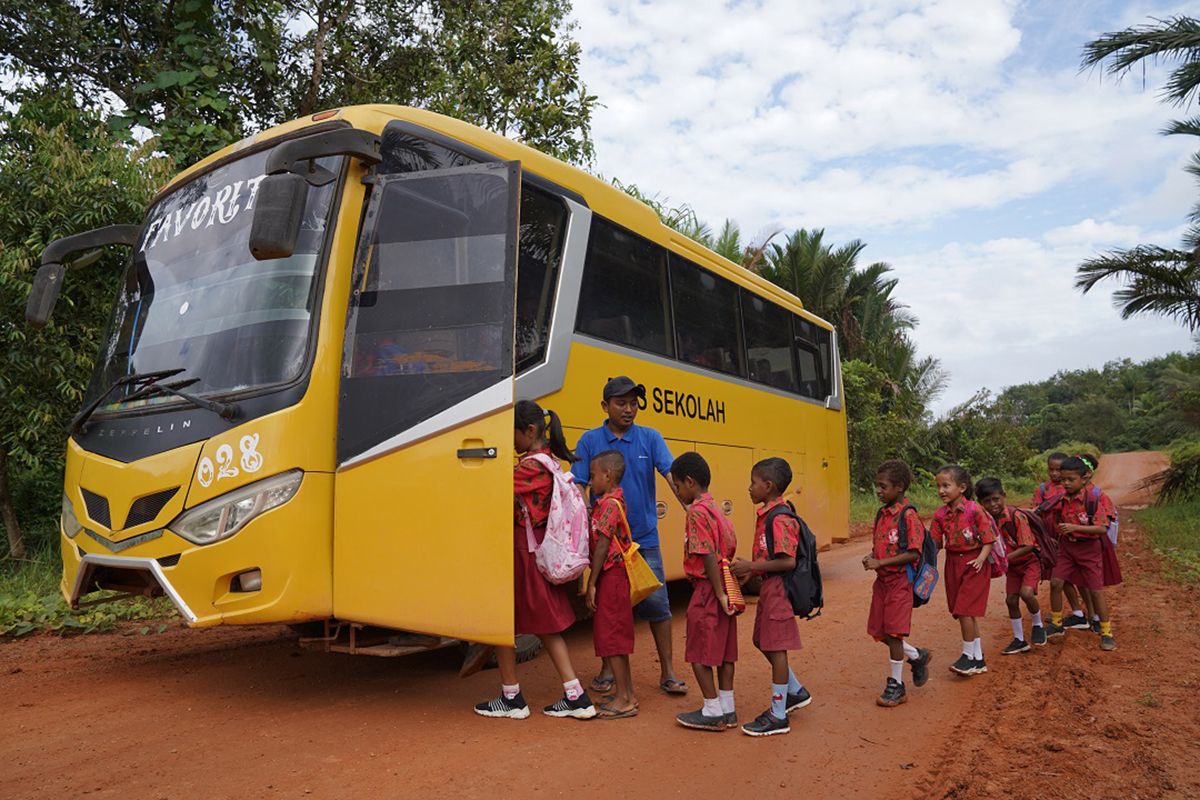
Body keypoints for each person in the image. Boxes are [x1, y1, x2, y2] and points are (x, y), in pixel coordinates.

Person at [474, 399, 596, 720]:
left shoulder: (530, 468)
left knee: (500, 621)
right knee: (546, 627)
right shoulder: (549, 462)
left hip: (522, 553)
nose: (510, 440)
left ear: (529, 431)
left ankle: (512, 696)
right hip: (538, 551)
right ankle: (574, 694)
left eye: (512, 433)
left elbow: (489, 488)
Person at [571, 376, 686, 696]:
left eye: (634, 403)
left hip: (643, 541)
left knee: (659, 606)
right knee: (609, 610)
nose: (629, 409)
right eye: (621, 403)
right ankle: (608, 669)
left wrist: (693, 511)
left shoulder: (650, 438)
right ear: (605, 406)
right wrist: (582, 527)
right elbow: (579, 485)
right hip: (606, 545)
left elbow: (671, 474)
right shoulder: (589, 441)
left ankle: (669, 671)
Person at [730, 458, 811, 737]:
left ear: (768, 486)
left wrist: (751, 567)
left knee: (776, 648)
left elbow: (787, 561)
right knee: (761, 640)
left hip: (780, 590)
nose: (749, 488)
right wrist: (751, 575)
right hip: (768, 587)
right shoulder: (767, 514)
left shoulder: (780, 518)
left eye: (753, 483)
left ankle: (778, 715)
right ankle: (795, 691)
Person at [670, 452, 740, 732]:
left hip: (708, 588)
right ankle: (727, 707)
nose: (677, 491)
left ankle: (712, 711)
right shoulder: (717, 509)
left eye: (677, 486)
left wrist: (718, 594)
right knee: (724, 653)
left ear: (689, 482)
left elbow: (707, 553)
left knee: (699, 654)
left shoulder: (697, 512)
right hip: (724, 584)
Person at [863, 459, 932, 708]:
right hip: (881, 583)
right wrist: (873, 558)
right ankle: (916, 655)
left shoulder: (908, 515)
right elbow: (880, 546)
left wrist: (881, 563)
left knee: (893, 633)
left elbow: (914, 553)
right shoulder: (881, 514)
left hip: (900, 581)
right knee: (879, 632)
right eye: (877, 486)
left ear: (900, 487)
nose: (879, 491)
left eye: (883, 486)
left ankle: (896, 685)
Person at [1042, 456, 1118, 651]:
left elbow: (1101, 528)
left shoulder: (1092, 500)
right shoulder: (1060, 499)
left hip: (1089, 549)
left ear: (1084, 479)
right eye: (1063, 479)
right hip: (1067, 547)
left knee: (1095, 590)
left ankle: (1106, 632)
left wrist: (1074, 527)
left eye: (1070, 479)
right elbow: (1046, 513)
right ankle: (1056, 623)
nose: (1065, 483)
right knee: (1056, 582)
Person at [583, 450, 638, 719]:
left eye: (593, 476)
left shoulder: (608, 505)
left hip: (611, 575)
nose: (591, 481)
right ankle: (625, 693)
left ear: (607, 475)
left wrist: (591, 583)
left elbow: (602, 544)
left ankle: (625, 699)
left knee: (613, 637)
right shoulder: (611, 501)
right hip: (615, 576)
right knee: (616, 636)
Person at [929, 464, 996, 677]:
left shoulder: (975, 510)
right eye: (939, 486)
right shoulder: (940, 515)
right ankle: (978, 659)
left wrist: (980, 559)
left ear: (962, 487)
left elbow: (989, 539)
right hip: (953, 564)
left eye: (946, 485)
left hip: (974, 563)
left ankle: (967, 656)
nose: (941, 491)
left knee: (965, 611)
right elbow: (935, 544)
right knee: (963, 613)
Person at [976, 477, 1046, 654]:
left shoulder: (1016, 516)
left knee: (1026, 593)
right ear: (980, 503)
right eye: (987, 501)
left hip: (1029, 561)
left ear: (1003, 496)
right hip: (1012, 567)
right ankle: (1019, 639)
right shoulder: (986, 521)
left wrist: (1004, 559)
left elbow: (1028, 545)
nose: (993, 504)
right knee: (1011, 600)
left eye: (996, 499)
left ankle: (1038, 624)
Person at [1034, 451, 1091, 630]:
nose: (1055, 474)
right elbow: (1036, 512)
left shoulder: (1073, 487)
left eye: (1059, 470)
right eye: (1051, 469)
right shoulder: (1044, 489)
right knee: (1062, 578)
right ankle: (1078, 613)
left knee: (1079, 579)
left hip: (1071, 539)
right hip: (1051, 539)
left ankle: (1092, 614)